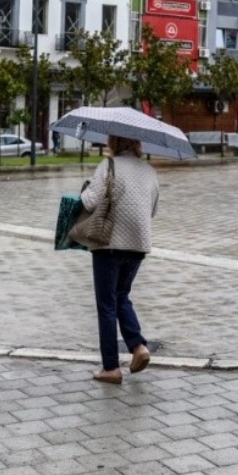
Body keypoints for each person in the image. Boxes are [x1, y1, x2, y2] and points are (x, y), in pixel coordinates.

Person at [79, 134, 159, 385]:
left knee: (107, 304)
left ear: (114, 142)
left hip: (109, 242)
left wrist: (86, 187)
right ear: (137, 143)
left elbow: (90, 201)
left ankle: (111, 368)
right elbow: (153, 209)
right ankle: (138, 346)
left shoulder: (108, 166)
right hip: (138, 244)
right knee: (121, 295)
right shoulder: (149, 171)